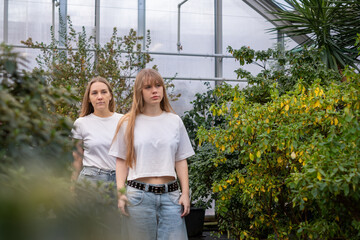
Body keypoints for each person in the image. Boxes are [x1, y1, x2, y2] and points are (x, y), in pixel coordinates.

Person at [109, 68, 194, 240]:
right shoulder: (127, 122)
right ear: (139, 91)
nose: (155, 90)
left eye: (158, 85)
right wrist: (120, 193)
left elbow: (180, 160)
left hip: (171, 198)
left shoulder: (174, 121)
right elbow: (121, 161)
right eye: (148, 87)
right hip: (138, 198)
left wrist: (185, 193)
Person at [71, 76, 123, 186]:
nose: (100, 97)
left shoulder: (123, 121)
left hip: (118, 181)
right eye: (94, 93)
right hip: (90, 181)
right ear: (89, 98)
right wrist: (72, 187)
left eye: (104, 92)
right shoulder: (81, 123)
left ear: (110, 96)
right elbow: (76, 160)